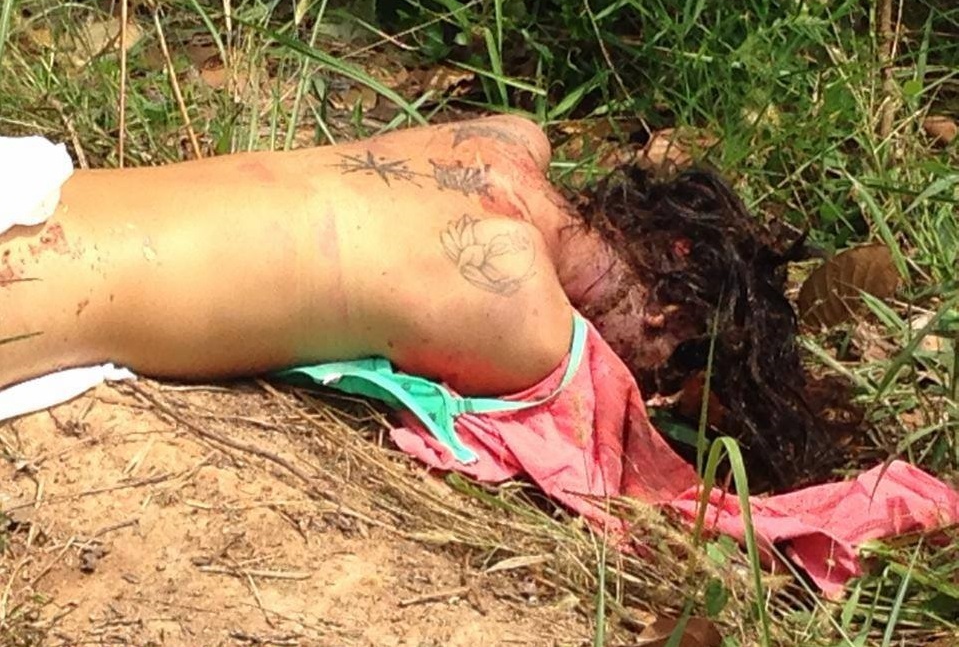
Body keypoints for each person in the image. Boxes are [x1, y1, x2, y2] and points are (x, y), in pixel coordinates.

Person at [0, 114, 834, 488]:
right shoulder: (526, 322)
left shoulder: (508, 139)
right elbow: (612, 466)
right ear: (669, 314)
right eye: (664, 372)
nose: (640, 388)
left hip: (32, 188)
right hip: (33, 301)